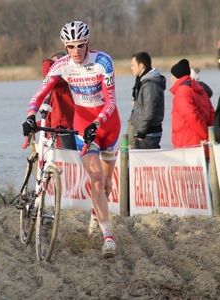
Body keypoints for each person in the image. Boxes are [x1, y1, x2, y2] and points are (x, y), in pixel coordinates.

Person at [22, 21, 121, 259]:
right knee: (96, 178)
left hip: (108, 125)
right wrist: (30, 115)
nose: (75, 51)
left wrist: (97, 123)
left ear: (87, 43)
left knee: (106, 183)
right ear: (65, 47)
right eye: (70, 46)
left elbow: (111, 102)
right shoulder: (62, 65)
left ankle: (95, 215)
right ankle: (108, 237)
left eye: (79, 45)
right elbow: (40, 93)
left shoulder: (103, 62)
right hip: (82, 125)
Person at [170, 59, 215, 158]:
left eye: (171, 75)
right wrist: (212, 136)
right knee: (204, 173)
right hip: (203, 145)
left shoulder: (182, 91)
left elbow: (192, 117)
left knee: (190, 174)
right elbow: (212, 114)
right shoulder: (200, 89)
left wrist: (206, 136)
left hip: (189, 147)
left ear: (176, 77)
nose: (170, 78)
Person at [129, 51, 166, 149]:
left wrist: (141, 132)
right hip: (144, 133)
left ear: (141, 66)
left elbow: (148, 112)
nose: (131, 68)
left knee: (147, 163)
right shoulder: (141, 82)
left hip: (148, 135)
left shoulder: (150, 85)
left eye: (133, 65)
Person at [41, 51, 76, 149]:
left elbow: (48, 76)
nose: (53, 70)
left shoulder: (63, 83)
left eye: (55, 66)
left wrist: (47, 62)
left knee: (69, 162)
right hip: (53, 137)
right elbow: (50, 119)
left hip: (65, 133)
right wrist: (34, 126)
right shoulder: (54, 91)